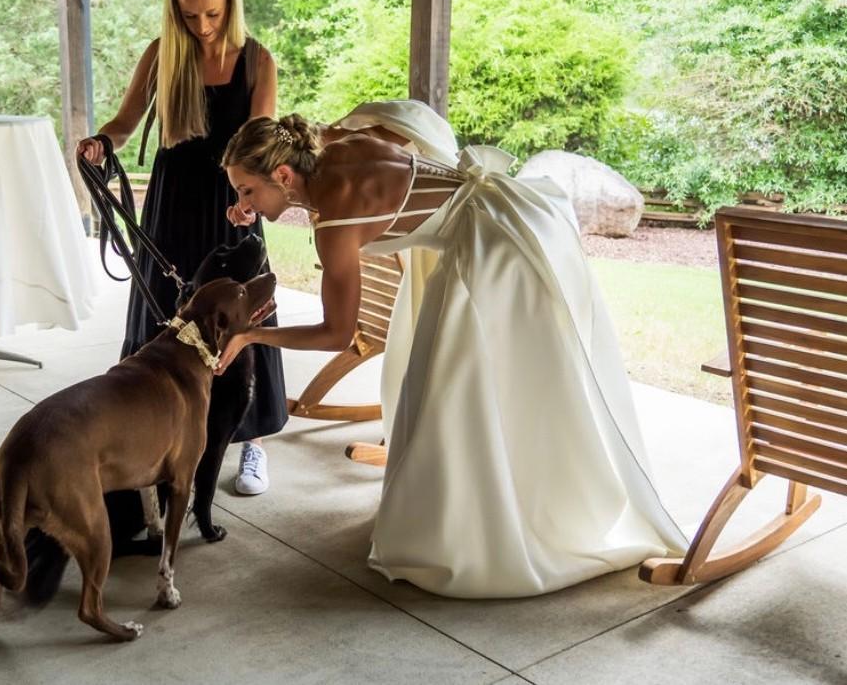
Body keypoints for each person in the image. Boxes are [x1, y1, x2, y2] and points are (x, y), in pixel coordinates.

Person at [218, 103, 688, 598]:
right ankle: (499, 501)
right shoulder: (334, 145)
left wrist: (251, 335)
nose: (243, 203)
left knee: (457, 387)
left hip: (496, 253)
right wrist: (259, 203)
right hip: (513, 210)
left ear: (283, 175)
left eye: (246, 191)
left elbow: (336, 334)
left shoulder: (334, 224)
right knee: (453, 379)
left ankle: (499, 527)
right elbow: (405, 124)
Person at [77, 0, 287, 498]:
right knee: (165, 316)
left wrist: (249, 199)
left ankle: (250, 441)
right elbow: (125, 122)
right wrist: (102, 143)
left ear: (230, 3)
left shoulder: (257, 61)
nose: (203, 25)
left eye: (212, 13)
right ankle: (153, 438)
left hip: (231, 201)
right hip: (171, 204)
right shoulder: (161, 55)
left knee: (238, 316)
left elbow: (261, 142)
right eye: (190, 15)